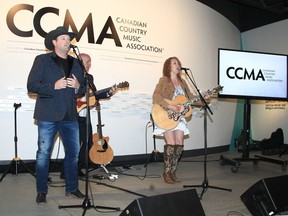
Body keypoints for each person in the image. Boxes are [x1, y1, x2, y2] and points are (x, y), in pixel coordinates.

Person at [27, 26, 86, 204]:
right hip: (48, 115)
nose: (67, 41)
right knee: (43, 154)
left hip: (70, 116)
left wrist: (77, 86)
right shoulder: (42, 60)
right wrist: (54, 85)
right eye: (63, 38)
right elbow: (32, 86)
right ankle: (41, 190)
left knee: (73, 154)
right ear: (54, 42)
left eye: (69, 39)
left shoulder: (76, 62)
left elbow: (82, 88)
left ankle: (72, 188)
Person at [152, 56, 198, 184]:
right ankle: (166, 172)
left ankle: (173, 171)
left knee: (179, 145)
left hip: (179, 117)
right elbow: (156, 96)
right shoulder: (164, 80)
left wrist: (204, 97)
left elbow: (190, 97)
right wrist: (170, 106)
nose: (178, 65)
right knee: (171, 143)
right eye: (174, 63)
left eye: (178, 63)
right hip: (166, 115)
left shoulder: (183, 82)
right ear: (168, 66)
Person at [76, 53, 116, 176]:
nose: (89, 64)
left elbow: (93, 95)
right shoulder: (71, 76)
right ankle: (66, 171)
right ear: (79, 62)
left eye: (90, 61)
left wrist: (108, 93)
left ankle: (78, 169)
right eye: (87, 61)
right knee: (74, 145)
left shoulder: (90, 78)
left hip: (85, 116)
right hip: (72, 115)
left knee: (88, 142)